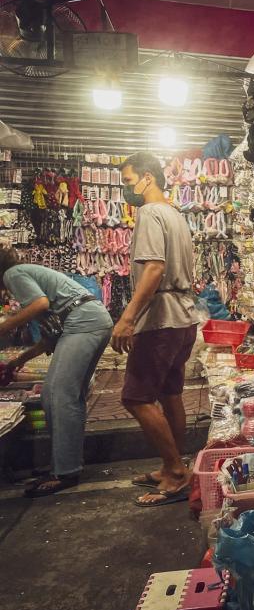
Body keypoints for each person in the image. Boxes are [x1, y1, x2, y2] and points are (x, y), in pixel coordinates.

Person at [113, 152, 199, 507]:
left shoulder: (149, 213)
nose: (127, 190)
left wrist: (128, 317)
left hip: (160, 318)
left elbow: (153, 269)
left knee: (134, 397)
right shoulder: (175, 215)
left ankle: (176, 471)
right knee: (169, 392)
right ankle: (172, 465)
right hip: (183, 317)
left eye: (129, 181)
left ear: (148, 178)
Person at [0, 249, 113, 496]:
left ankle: (65, 471)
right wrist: (19, 360)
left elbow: (40, 304)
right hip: (88, 320)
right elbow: (50, 335)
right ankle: (63, 465)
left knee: (58, 395)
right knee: (63, 395)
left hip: (84, 322)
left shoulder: (13, 274)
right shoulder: (24, 274)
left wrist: (4, 326)